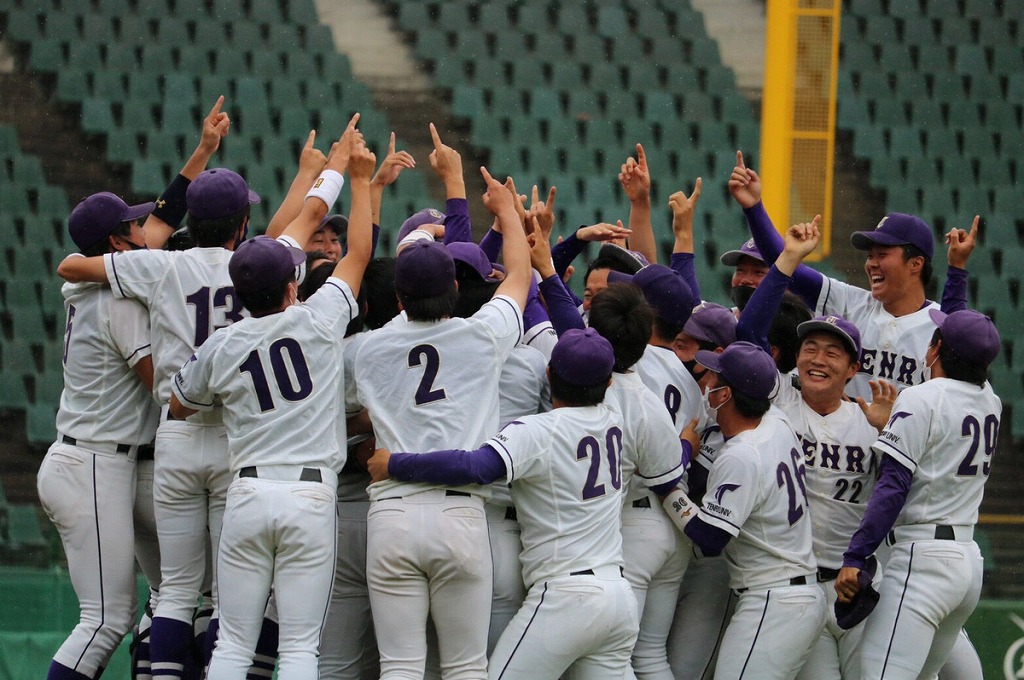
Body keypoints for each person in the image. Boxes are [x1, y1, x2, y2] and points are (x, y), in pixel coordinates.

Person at [168, 126, 373, 679]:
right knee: (302, 648)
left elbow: (178, 406)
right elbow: (359, 252)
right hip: (310, 493)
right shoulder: (320, 317)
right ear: (292, 286)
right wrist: (359, 179)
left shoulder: (221, 344)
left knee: (232, 644)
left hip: (249, 490)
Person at [366, 328, 641, 679]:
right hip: (618, 596)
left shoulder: (539, 431)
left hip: (566, 596)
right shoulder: (614, 416)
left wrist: (395, 464)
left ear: (548, 374)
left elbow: (475, 468)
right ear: (608, 384)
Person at [349, 162, 531, 679]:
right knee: (466, 667)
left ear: (400, 296)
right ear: (454, 283)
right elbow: (519, 274)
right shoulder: (484, 335)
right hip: (461, 515)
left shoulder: (368, 349)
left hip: (392, 514)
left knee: (401, 667)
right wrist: (508, 214)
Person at [736, 219, 898, 680]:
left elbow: (898, 494)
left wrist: (891, 438)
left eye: (832, 352)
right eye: (810, 347)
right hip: (801, 585)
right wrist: (786, 262)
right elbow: (748, 334)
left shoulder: (872, 421)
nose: (817, 359)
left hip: (857, 584)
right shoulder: (780, 394)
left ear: (853, 370)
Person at [729, 150, 975, 401]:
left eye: (882, 254)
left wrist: (957, 269)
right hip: (845, 437)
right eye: (870, 256)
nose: (871, 264)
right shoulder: (851, 302)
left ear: (916, 264)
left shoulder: (938, 324)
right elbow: (781, 259)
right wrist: (754, 208)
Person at [836, 309, 1002, 679]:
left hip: (922, 560)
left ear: (936, 349)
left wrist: (856, 555)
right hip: (965, 562)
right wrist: (893, 428)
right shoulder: (990, 399)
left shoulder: (921, 397)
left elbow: (892, 488)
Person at [38, 192, 160, 680]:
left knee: (133, 606)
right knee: (106, 620)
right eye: (133, 226)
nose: (143, 230)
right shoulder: (115, 299)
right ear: (115, 242)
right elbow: (164, 387)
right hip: (93, 462)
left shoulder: (90, 289)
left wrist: (198, 159)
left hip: (92, 460)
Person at [662, 342, 826, 680]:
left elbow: (710, 538)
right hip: (793, 593)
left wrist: (668, 490)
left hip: (774, 600)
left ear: (727, 394)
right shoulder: (777, 421)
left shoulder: (742, 454)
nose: (706, 383)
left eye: (714, 378)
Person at [588, 283, 691, 680]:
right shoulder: (682, 374)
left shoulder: (594, 376)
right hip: (671, 524)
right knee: (650, 656)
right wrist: (686, 446)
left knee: (613, 659)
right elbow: (673, 467)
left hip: (631, 530)